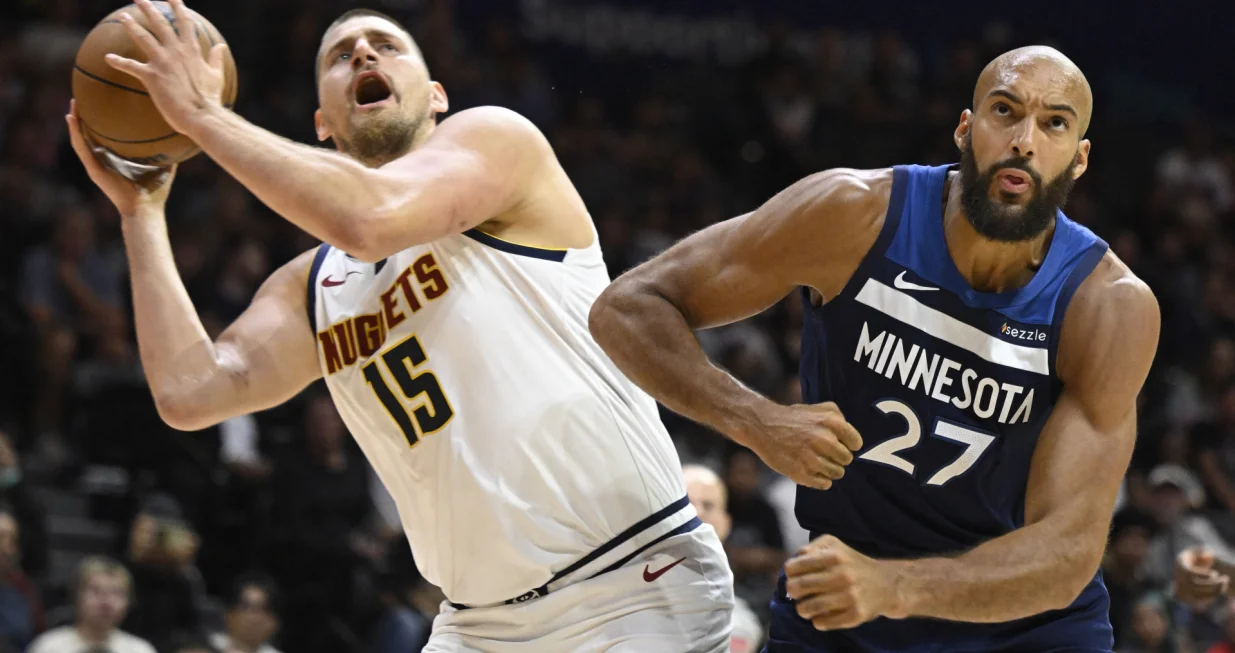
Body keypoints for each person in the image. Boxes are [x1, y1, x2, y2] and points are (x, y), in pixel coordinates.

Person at [66, 1, 732, 651]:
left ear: (436, 95)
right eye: (339, 55)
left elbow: (370, 218)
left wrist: (203, 117)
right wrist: (141, 214)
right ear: (321, 123)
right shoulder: (312, 286)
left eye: (387, 45)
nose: (363, 52)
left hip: (633, 580)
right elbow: (189, 392)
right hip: (480, 624)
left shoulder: (498, 142)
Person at [590, 45, 1160, 651]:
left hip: (1025, 623)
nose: (1024, 141)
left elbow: (1067, 552)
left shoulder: (1107, 306)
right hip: (845, 594)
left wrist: (895, 587)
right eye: (1005, 110)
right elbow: (628, 308)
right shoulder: (853, 216)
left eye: (1054, 124)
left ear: (1079, 158)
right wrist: (754, 420)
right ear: (965, 129)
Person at [683, 464, 765, 653]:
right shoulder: (622, 589)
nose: (697, 513)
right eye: (686, 503)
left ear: (725, 524)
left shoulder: (740, 624)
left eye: (708, 505)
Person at [27, 557, 155, 653]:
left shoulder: (141, 650)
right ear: (77, 595)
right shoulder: (48, 647)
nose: (106, 602)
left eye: (116, 593)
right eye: (96, 591)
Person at [209, 573, 281, 653]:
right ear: (229, 614)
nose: (254, 618)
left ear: (274, 622)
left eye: (263, 609)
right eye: (246, 607)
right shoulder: (206, 645)